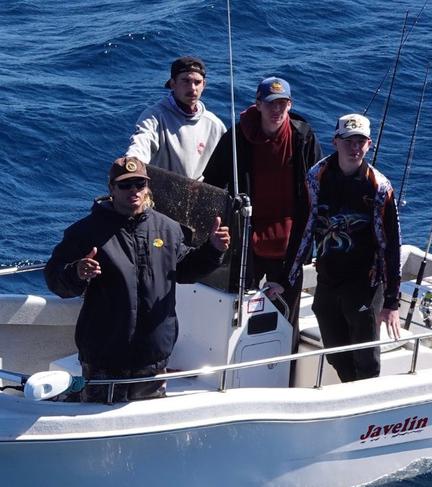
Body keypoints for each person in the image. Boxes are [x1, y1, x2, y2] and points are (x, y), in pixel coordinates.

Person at [44, 156, 230, 402]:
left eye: (139, 184)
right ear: (111, 189)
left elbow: (185, 270)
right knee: (97, 423)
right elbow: (54, 277)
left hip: (152, 359)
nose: (134, 190)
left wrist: (213, 250)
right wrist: (77, 272)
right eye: (125, 185)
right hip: (104, 358)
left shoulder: (169, 229)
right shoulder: (85, 232)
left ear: (147, 187)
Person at [276, 113, 401, 383]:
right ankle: (349, 388)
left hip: (365, 282)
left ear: (369, 145)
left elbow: (391, 245)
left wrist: (391, 301)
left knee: (365, 357)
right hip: (329, 277)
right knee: (334, 351)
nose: (354, 148)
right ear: (335, 141)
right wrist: (285, 278)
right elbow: (302, 229)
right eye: (348, 141)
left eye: (360, 142)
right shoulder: (316, 177)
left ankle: (367, 410)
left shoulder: (380, 187)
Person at [202, 76, 322, 351]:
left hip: (290, 244)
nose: (276, 110)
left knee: (286, 316)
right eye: (270, 104)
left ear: (290, 106)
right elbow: (212, 184)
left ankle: (283, 367)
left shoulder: (303, 137)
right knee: (239, 311)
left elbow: (318, 189)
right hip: (245, 241)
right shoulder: (236, 136)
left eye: (282, 104)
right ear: (258, 104)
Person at [126, 56, 227, 180]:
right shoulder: (154, 117)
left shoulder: (215, 125)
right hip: (160, 195)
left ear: (204, 85)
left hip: (201, 196)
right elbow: (142, 142)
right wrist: (133, 163)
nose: (192, 88)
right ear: (173, 84)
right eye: (186, 81)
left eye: (197, 82)